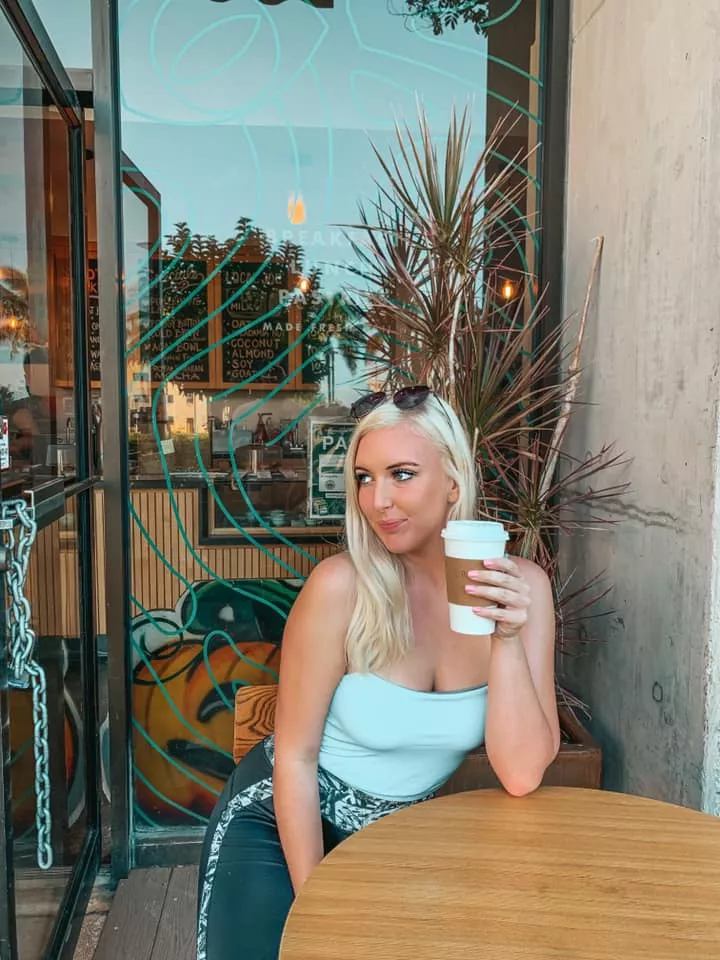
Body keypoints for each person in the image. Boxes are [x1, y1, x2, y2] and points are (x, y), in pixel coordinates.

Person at [197, 386, 559, 960]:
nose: (378, 500)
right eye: (364, 478)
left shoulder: (524, 592)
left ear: (455, 484)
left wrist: (507, 641)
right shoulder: (341, 588)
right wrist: (320, 904)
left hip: (401, 839)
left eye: (402, 474)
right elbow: (295, 758)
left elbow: (520, 775)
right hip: (279, 822)